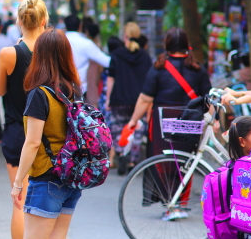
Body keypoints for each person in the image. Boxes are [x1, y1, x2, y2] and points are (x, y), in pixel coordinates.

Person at [9, 29, 86, 239]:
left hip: (47, 176)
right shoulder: (74, 89)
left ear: (38, 57)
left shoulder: (40, 94)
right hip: (73, 176)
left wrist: (17, 182)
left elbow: (31, 143)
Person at [126, 28, 211, 220]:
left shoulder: (158, 67)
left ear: (167, 44)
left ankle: (171, 205)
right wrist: (213, 123)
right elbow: (208, 99)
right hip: (191, 120)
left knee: (164, 162)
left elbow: (145, 99)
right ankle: (180, 203)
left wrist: (133, 120)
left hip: (163, 121)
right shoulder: (198, 68)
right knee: (186, 161)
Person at [0, 0, 49, 239]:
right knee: (50, 203)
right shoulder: (54, 49)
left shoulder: (8, 53)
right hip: (51, 135)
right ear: (44, 20)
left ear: (19, 20)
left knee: (19, 201)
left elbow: (0, 90)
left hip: (18, 131)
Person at [106, 21, 152, 173]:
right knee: (137, 129)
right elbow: (149, 80)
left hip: (119, 98)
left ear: (125, 36)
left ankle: (120, 152)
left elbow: (111, 79)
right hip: (139, 100)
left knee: (118, 128)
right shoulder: (145, 57)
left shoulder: (116, 55)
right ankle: (133, 160)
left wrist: (108, 99)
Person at [63, 14, 110, 96]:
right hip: (79, 89)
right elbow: (107, 62)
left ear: (65, 26)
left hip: (59, 89)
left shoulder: (57, 41)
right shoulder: (86, 43)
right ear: (80, 26)